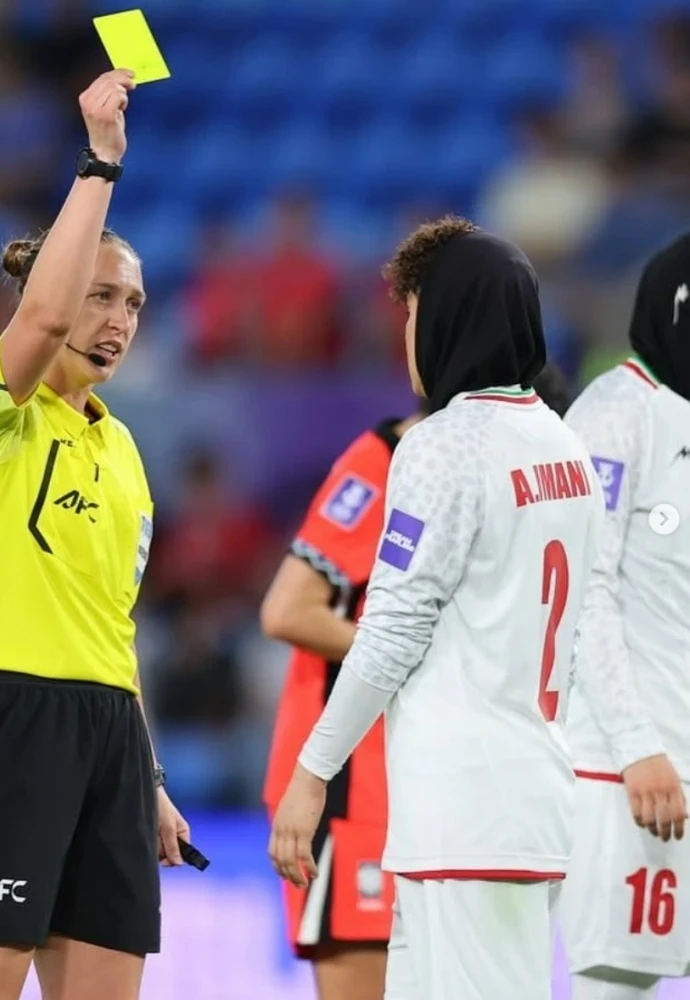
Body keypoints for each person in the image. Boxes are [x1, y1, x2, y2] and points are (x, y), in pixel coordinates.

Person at [268, 215, 604, 1000]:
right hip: (531, 799)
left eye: (412, 312)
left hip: (463, 805)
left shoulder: (441, 444)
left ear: (450, 317)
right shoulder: (567, 449)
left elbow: (390, 631)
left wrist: (313, 772)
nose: (407, 334)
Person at [0, 70, 189, 1000]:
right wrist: (100, 161)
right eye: (102, 297)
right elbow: (43, 316)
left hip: (107, 735)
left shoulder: (126, 453)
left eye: (134, 304)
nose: (116, 322)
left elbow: (112, 628)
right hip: (1, 726)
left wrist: (143, 771)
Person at [261, 402, 429, 1000]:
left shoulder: (458, 475)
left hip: (417, 787)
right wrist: (422, 660)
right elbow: (287, 609)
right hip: (347, 785)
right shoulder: (382, 463)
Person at [559, 233, 690, 1000]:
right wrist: (639, 748)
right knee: (619, 986)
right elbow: (584, 592)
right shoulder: (615, 414)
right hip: (628, 772)